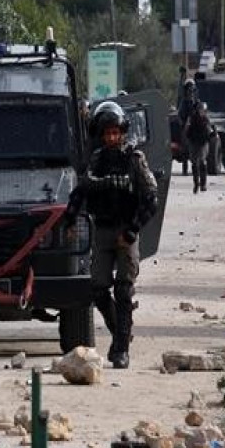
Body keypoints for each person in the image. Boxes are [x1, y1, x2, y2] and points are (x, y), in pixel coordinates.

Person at [68, 101, 159, 369]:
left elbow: (151, 199)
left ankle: (120, 349)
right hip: (104, 232)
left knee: (123, 290)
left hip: (126, 231)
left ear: (122, 133)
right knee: (97, 289)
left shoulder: (134, 159)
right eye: (106, 133)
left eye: (115, 133)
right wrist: (70, 218)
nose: (111, 138)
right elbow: (81, 191)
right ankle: (121, 329)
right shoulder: (96, 161)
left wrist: (132, 231)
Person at [184, 99, 213, 194]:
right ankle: (196, 183)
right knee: (195, 164)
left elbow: (209, 130)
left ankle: (203, 184)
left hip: (202, 143)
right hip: (194, 142)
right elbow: (187, 129)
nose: (201, 111)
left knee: (202, 162)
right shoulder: (192, 118)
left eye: (202, 110)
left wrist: (211, 134)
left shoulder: (205, 118)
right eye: (200, 109)